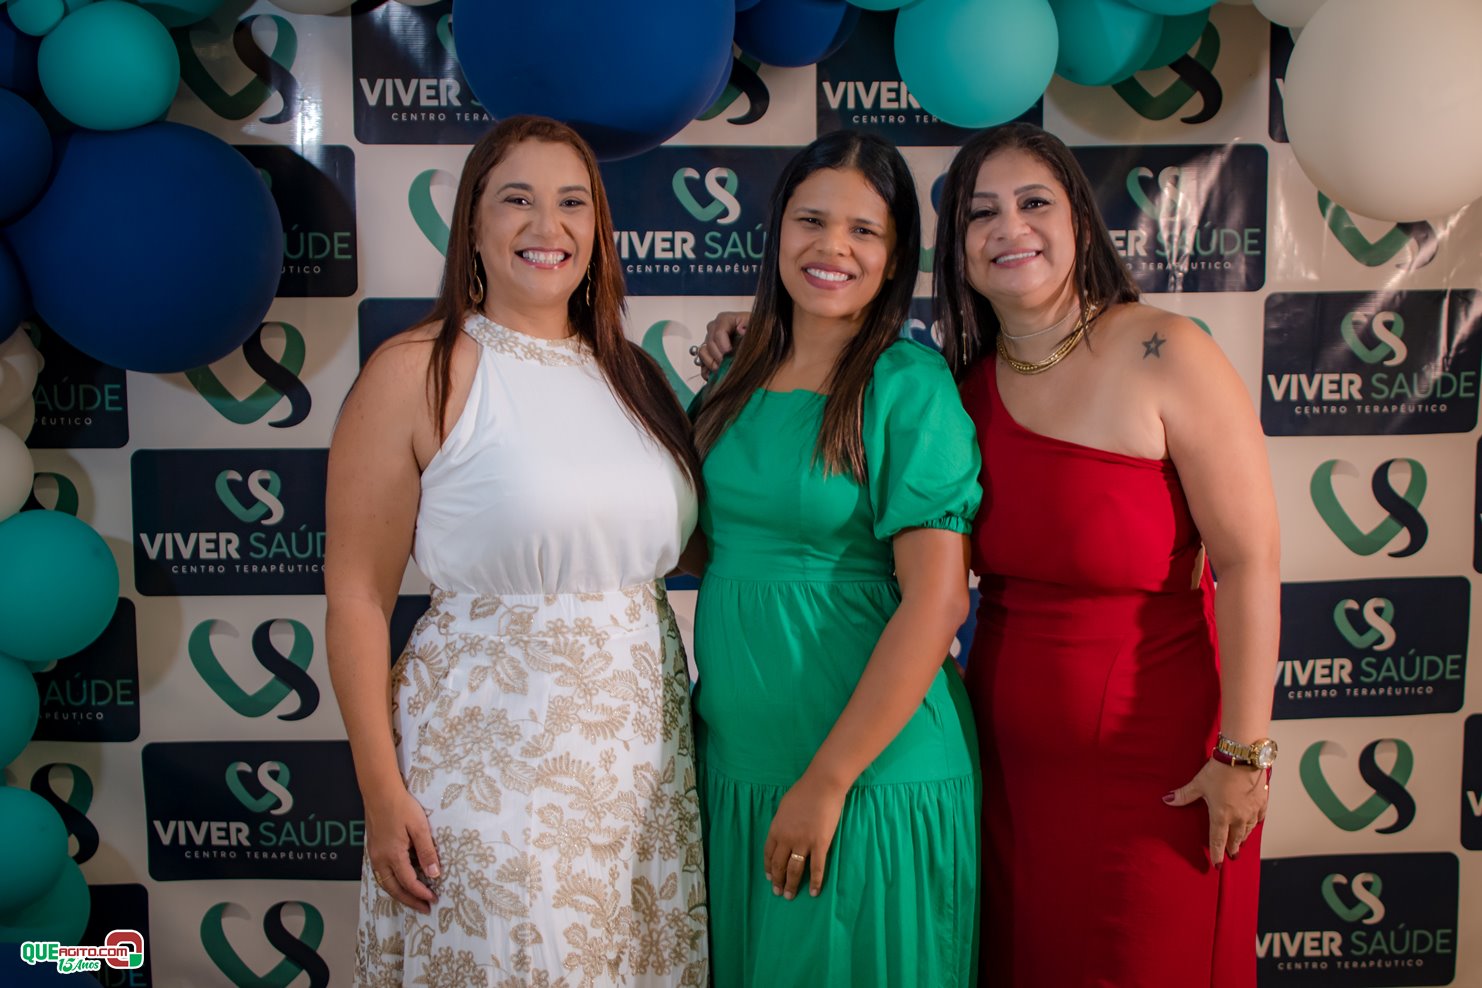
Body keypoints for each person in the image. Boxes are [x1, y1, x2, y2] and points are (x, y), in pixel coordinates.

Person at [698, 122, 1280, 988]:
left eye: (1033, 202)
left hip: (1154, 760)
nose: (1010, 228)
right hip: (1011, 765)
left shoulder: (1165, 352)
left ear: (1079, 218)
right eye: (980, 213)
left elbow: (1251, 561)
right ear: (956, 250)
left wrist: (1245, 749)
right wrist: (762, 339)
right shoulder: (969, 385)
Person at [325, 115, 708, 987]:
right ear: (472, 223)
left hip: (644, 774)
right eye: (517, 200)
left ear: (598, 227)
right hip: (489, 770)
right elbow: (356, 598)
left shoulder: (636, 375)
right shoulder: (416, 370)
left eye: (572, 202)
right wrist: (381, 794)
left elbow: (689, 550)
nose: (548, 226)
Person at [687, 129, 982, 987]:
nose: (832, 247)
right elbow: (713, 550)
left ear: (894, 259)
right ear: (777, 229)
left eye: (864, 230)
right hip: (739, 766)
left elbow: (938, 601)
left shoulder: (906, 383)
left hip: (864, 776)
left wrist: (828, 780)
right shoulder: (732, 377)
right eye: (811, 220)